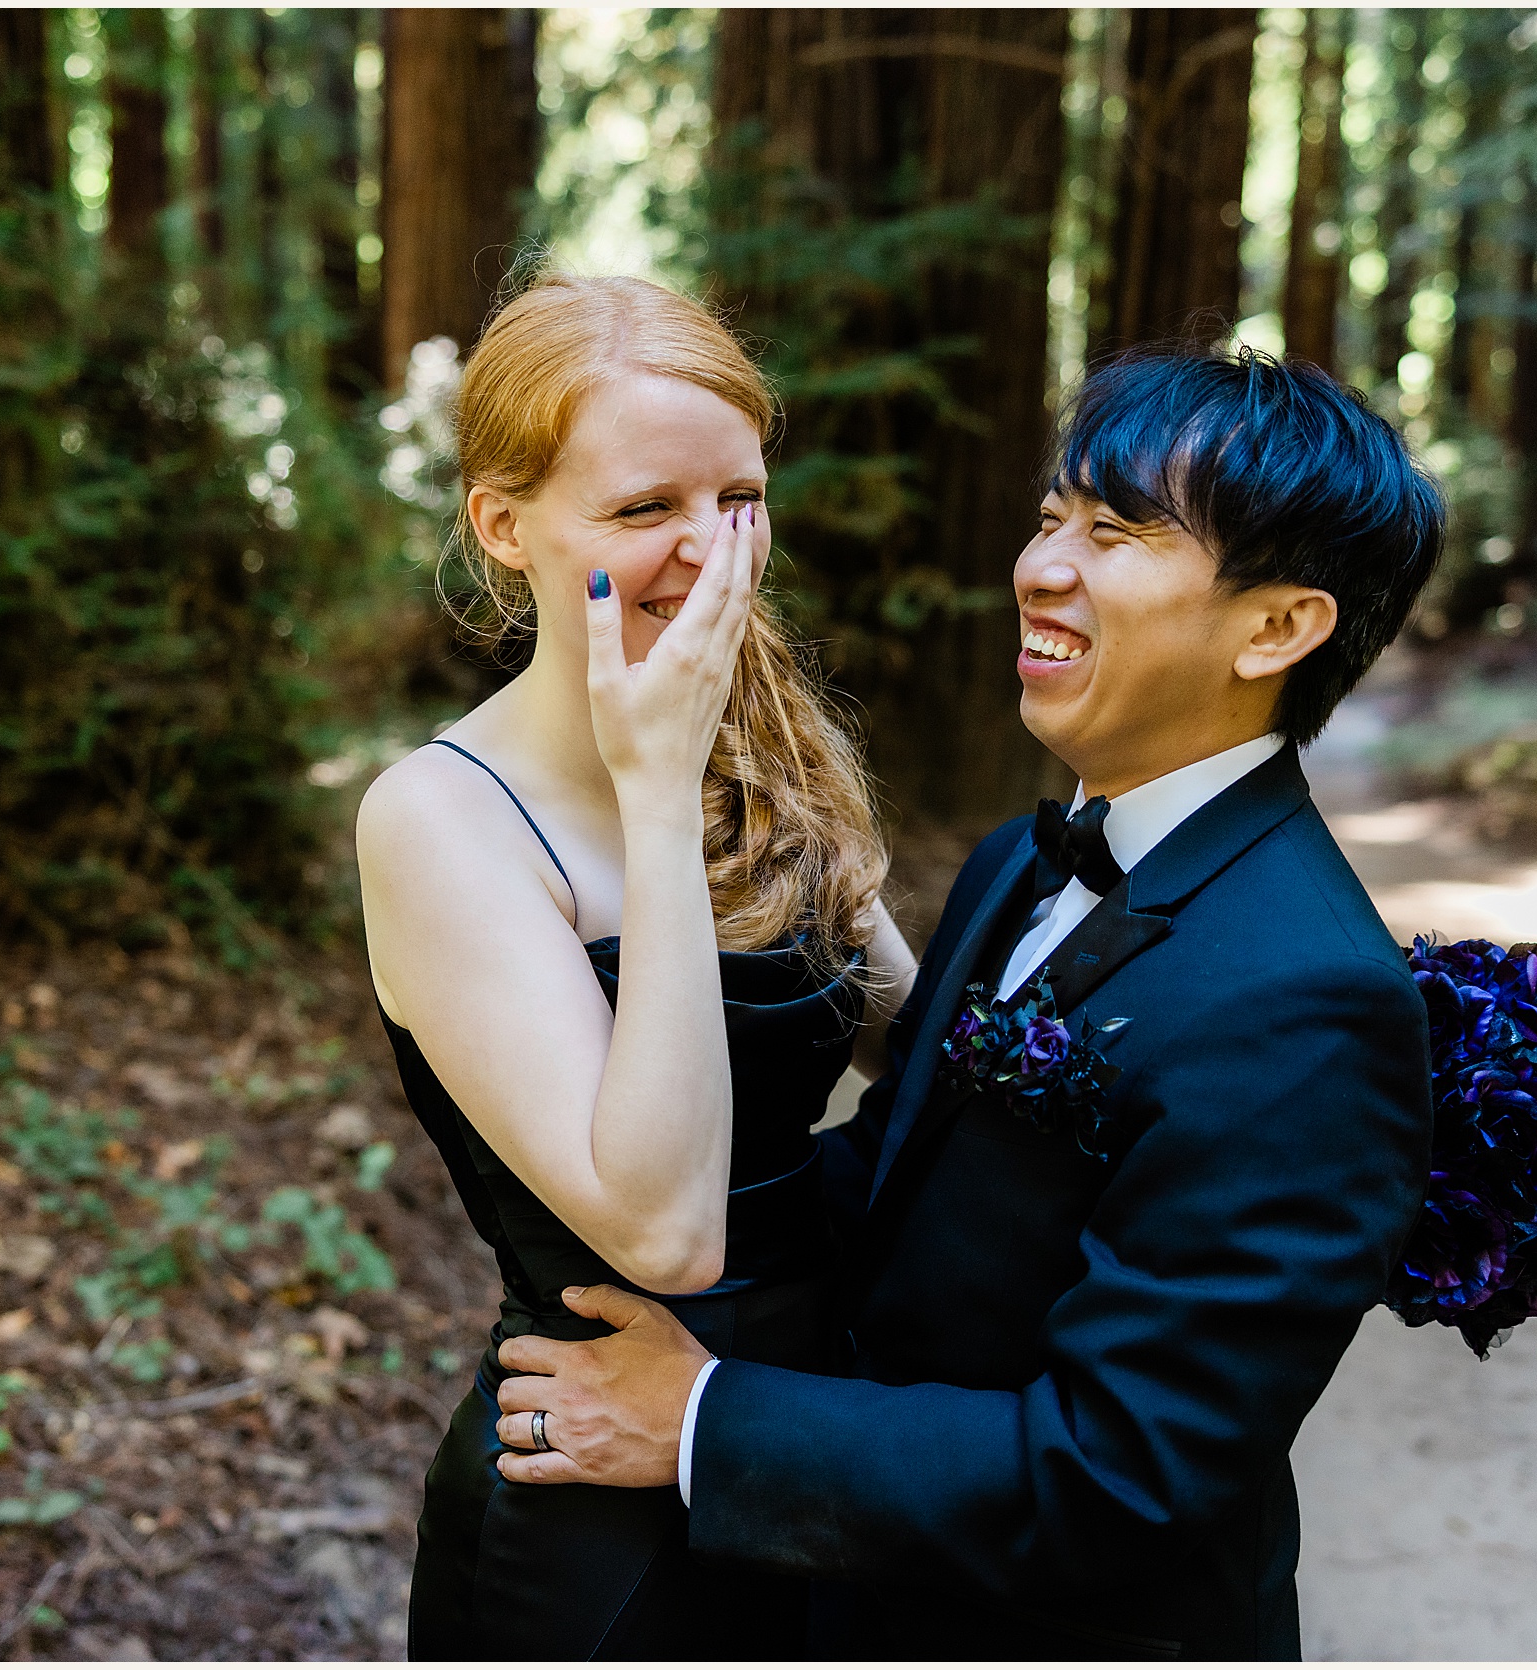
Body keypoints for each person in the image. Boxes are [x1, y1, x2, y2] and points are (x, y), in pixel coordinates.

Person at [488, 346, 1447, 1659]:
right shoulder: (1021, 859)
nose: (1044, 566)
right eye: (1054, 516)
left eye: (1116, 533)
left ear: (1278, 626)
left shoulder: (1309, 995)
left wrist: (706, 1417)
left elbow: (1124, 1472)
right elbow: (895, 1178)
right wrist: (628, 1250)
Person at [355, 272, 917, 1658]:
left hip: (803, 1443)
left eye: (740, 499)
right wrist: (658, 794)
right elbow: (666, 1231)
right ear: (504, 527)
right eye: (643, 509)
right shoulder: (442, 819)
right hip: (599, 1514)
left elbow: (924, 1049)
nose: (711, 551)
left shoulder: (762, 746)